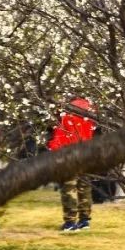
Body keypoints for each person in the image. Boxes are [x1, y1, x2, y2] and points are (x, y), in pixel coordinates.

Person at [48, 97, 97, 231]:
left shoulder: (67, 117)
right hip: (87, 155)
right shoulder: (90, 118)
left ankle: (70, 222)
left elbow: (60, 137)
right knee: (84, 188)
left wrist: (52, 149)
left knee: (69, 188)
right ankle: (84, 220)